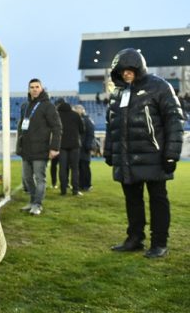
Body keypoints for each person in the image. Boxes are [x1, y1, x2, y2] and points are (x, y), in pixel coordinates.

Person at [103, 48, 184, 258]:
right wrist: (110, 152)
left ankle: (159, 243)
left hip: (154, 157)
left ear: (138, 67)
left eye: (129, 70)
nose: (125, 74)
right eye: (121, 71)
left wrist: (171, 154)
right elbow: (112, 125)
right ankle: (135, 238)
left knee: (158, 199)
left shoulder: (159, 86)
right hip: (127, 159)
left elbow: (174, 120)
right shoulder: (118, 93)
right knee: (133, 200)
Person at [16, 78, 62, 216]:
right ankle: (32, 201)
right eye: (32, 87)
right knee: (27, 178)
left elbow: (57, 127)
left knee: (40, 178)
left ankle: (37, 204)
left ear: (41, 89)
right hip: (26, 150)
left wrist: (54, 147)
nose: (34, 89)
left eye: (37, 87)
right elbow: (21, 127)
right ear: (29, 89)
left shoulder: (48, 106)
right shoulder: (25, 106)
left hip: (41, 149)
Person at [57, 100, 85, 196]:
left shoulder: (57, 115)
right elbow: (82, 129)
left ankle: (63, 190)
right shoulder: (75, 115)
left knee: (62, 168)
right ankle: (75, 190)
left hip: (61, 145)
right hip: (74, 145)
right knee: (75, 168)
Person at [72, 104, 95, 191]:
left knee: (85, 167)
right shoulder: (83, 120)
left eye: (76, 110)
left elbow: (90, 134)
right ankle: (81, 185)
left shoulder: (87, 120)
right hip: (80, 147)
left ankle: (87, 185)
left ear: (81, 110)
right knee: (80, 167)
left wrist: (88, 145)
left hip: (84, 148)